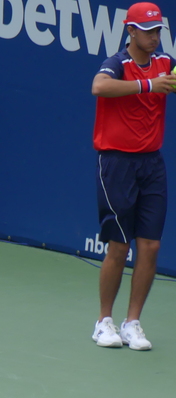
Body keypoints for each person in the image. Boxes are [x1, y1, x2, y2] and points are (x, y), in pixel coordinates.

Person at [90, 2, 176, 351]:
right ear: (130, 31)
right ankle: (103, 322)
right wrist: (147, 86)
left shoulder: (166, 63)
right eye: (146, 30)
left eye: (157, 30)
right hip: (117, 164)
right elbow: (99, 87)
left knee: (151, 246)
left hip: (152, 164)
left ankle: (132, 323)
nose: (153, 37)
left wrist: (160, 82)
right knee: (119, 246)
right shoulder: (117, 64)